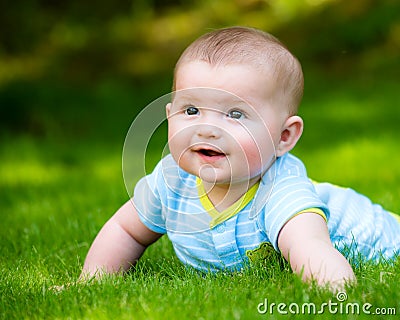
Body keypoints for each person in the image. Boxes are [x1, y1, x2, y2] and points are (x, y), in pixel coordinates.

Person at [80, 26, 400, 289]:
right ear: (169, 115)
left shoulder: (281, 194)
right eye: (191, 110)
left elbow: (312, 249)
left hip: (389, 242)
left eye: (235, 114)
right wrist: (91, 283)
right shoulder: (170, 185)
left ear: (283, 137)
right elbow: (126, 229)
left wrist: (339, 298)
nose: (207, 129)